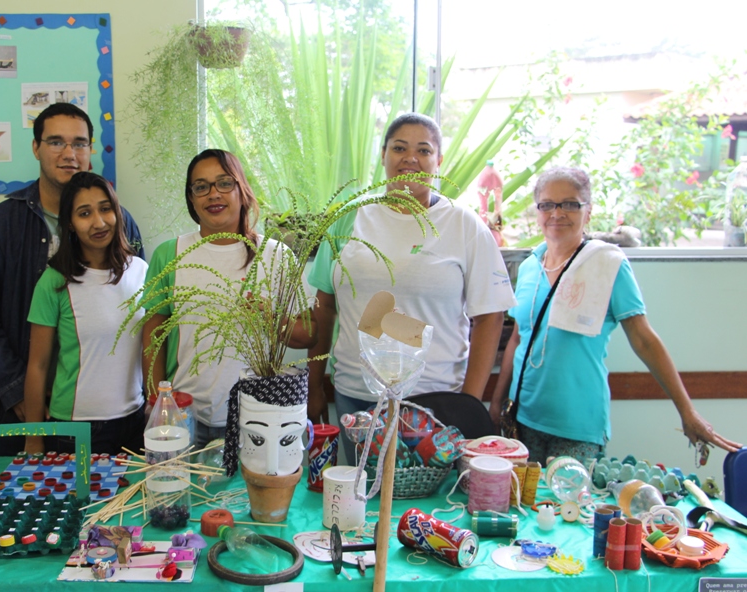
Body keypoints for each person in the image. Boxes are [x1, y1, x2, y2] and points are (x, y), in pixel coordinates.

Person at [489, 166, 742, 465]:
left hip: (578, 427)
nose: (557, 213)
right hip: (523, 422)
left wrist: (687, 411)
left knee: (571, 510)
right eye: (547, 205)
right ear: (538, 211)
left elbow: (645, 340)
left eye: (570, 204)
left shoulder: (607, 265)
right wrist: (496, 405)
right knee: (525, 509)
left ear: (589, 211)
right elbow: (519, 338)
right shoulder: (530, 266)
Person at [307, 112, 516, 463]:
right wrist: (315, 386)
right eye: (399, 148)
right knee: (363, 500)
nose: (411, 158)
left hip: (436, 403)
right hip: (357, 398)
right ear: (384, 154)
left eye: (424, 150)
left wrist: (466, 404)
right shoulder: (348, 218)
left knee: (430, 510)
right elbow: (324, 309)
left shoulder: (463, 226)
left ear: (439, 161)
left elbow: (490, 318)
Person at [0, 103, 144, 456]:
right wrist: (17, 392)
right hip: (24, 408)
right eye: (56, 142)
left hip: (113, 413)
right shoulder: (2, 225)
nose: (69, 154)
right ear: (36, 147)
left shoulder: (122, 223)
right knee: (34, 506)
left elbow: (137, 312)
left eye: (79, 143)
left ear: (90, 151)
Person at [141, 149, 315, 449]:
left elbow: (307, 336)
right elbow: (154, 333)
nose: (213, 194)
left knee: (246, 496)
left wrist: (271, 319)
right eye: (201, 187)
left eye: (224, 183)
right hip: (184, 413)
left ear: (241, 190)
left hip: (257, 415)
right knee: (184, 494)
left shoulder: (275, 255)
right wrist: (157, 400)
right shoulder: (169, 255)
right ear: (191, 199)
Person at [23, 172, 148, 456]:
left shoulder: (141, 271)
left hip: (136, 421)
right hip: (75, 430)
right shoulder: (54, 281)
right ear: (69, 222)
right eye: (84, 213)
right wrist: (34, 439)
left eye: (106, 209)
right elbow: (38, 366)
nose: (99, 222)